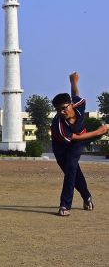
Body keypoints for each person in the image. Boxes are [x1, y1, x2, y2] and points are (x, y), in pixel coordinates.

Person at [50, 72, 107, 217]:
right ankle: (87, 197)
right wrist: (97, 131)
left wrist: (73, 81)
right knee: (73, 171)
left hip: (79, 141)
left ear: (71, 104)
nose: (62, 112)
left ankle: (64, 205)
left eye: (64, 108)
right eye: (58, 110)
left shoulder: (79, 104)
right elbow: (75, 137)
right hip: (62, 147)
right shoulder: (58, 124)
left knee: (71, 168)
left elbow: (75, 93)